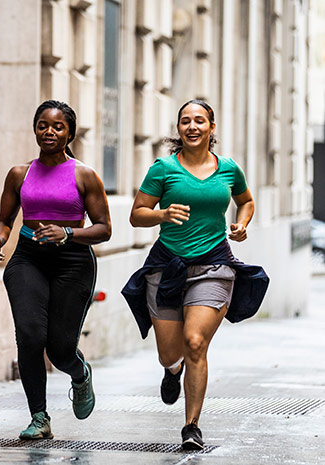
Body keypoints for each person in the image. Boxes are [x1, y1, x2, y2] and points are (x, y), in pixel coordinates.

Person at [122, 99, 269, 450]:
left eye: (199, 121)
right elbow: (136, 214)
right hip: (167, 266)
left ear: (211, 128)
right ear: (178, 129)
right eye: (185, 121)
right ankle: (171, 372)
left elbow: (246, 200)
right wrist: (162, 214)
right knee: (169, 353)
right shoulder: (162, 169)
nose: (192, 127)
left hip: (215, 265)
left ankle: (192, 426)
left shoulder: (229, 169)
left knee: (195, 343)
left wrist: (242, 224)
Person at [0, 100, 112, 440]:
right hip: (28, 258)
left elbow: (104, 228)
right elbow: (5, 219)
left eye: (57, 127)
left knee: (59, 349)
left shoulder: (84, 175)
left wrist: (68, 233)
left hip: (73, 263)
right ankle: (39, 417)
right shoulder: (19, 174)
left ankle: (80, 373)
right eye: (43, 125)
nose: (49, 132)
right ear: (35, 129)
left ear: (69, 132)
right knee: (29, 335)